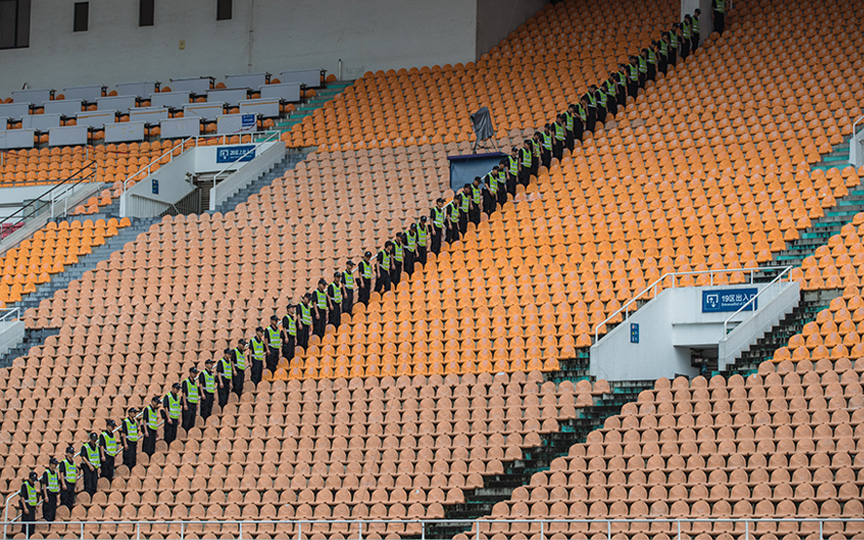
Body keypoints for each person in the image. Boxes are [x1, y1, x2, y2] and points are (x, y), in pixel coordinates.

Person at [19, 471, 40, 536]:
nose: (33, 481)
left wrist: (36, 506)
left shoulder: (33, 485)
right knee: (26, 525)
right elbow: (22, 497)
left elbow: (34, 496)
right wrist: (25, 508)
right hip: (27, 506)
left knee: (32, 524)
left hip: (32, 507)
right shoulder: (25, 485)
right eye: (32, 480)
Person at [41, 458, 60, 522]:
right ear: (51, 464)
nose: (56, 466)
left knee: (53, 510)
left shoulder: (55, 473)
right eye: (55, 464)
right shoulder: (46, 473)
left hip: (54, 494)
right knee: (48, 511)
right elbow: (44, 485)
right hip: (48, 494)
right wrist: (46, 496)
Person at [58, 446, 77, 510]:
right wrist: (63, 484)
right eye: (70, 453)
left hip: (72, 484)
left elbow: (75, 474)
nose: (72, 454)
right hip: (66, 483)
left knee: (70, 501)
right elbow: (61, 474)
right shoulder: (63, 462)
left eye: (73, 453)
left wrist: (76, 484)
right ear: (66, 453)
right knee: (64, 500)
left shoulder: (74, 463)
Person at [181, 367, 199, 432]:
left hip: (193, 404)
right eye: (194, 373)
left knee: (192, 420)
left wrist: (197, 404)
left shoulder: (195, 383)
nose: (195, 374)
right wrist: (185, 404)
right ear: (190, 373)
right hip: (188, 403)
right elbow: (184, 393)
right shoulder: (186, 382)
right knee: (186, 420)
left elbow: (195, 394)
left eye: (196, 373)